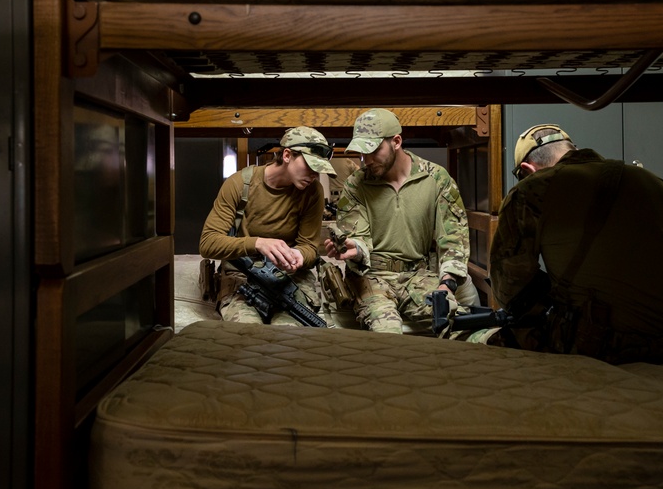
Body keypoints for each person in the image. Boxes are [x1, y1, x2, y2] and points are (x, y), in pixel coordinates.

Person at [481, 123, 663, 363]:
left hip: (614, 347)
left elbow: (511, 290)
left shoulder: (532, 190)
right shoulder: (653, 181)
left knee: (484, 340)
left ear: (526, 170)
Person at [324, 108, 471, 333]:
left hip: (420, 276)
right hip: (372, 276)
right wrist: (356, 248)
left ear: (396, 141)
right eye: (362, 153)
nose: (367, 160)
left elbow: (453, 239)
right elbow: (357, 237)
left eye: (374, 150)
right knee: (387, 332)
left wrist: (447, 283)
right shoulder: (356, 184)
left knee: (458, 324)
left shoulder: (435, 178)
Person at [200, 126, 336, 325]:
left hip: (288, 279)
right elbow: (208, 243)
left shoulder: (312, 191)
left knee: (288, 336)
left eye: (319, 169)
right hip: (242, 275)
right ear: (287, 155)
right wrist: (257, 244)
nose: (315, 175)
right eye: (310, 166)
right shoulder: (239, 184)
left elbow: (309, 247)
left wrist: (298, 256)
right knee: (247, 336)